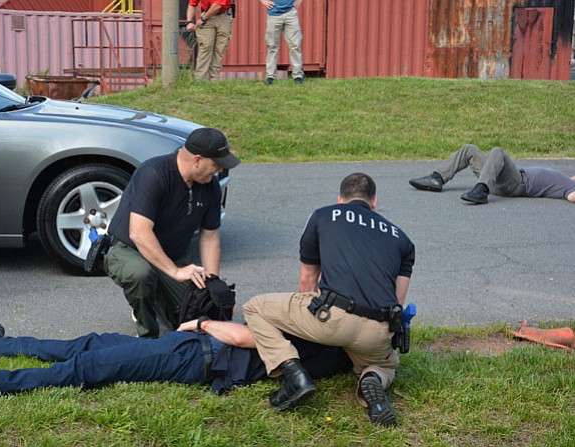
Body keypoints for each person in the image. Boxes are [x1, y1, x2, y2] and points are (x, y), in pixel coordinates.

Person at [243, 173, 415, 426]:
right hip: (378, 330)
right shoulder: (402, 239)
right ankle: (372, 380)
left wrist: (302, 328)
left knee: (254, 307)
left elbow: (307, 279)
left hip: (331, 318)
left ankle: (292, 373)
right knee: (386, 366)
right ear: (374, 202)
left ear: (340, 200)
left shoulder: (324, 216)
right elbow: (398, 300)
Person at [0, 321, 354, 398]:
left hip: (196, 355)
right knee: (95, 342)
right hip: (195, 351)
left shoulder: (321, 343)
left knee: (92, 366)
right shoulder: (333, 345)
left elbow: (245, 336)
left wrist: (203, 321)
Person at [104, 127, 240, 338]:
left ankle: (152, 297)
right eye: (216, 164)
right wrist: (175, 272)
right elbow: (139, 233)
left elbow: (210, 237)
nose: (220, 170)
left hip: (174, 257)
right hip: (129, 251)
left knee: (197, 314)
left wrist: (213, 287)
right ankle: (147, 335)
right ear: (197, 159)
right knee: (140, 275)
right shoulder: (153, 173)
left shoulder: (210, 187)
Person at [408, 144, 575, 204]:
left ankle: (481, 190)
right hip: (498, 179)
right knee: (469, 150)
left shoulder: (568, 189)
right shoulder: (569, 180)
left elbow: (572, 197)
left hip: (517, 183)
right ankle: (437, 178)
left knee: (498, 152)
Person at [185, 0, 235, 81]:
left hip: (223, 16)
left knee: (220, 48)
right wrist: (189, 21)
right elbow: (192, 4)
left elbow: (217, 6)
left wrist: (202, 19)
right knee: (205, 46)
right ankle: (200, 79)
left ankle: (214, 80)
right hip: (206, 15)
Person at [260, 0, 304, 85]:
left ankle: (298, 76)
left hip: (290, 13)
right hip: (273, 15)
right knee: (272, 46)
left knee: (295, 45)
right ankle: (270, 76)